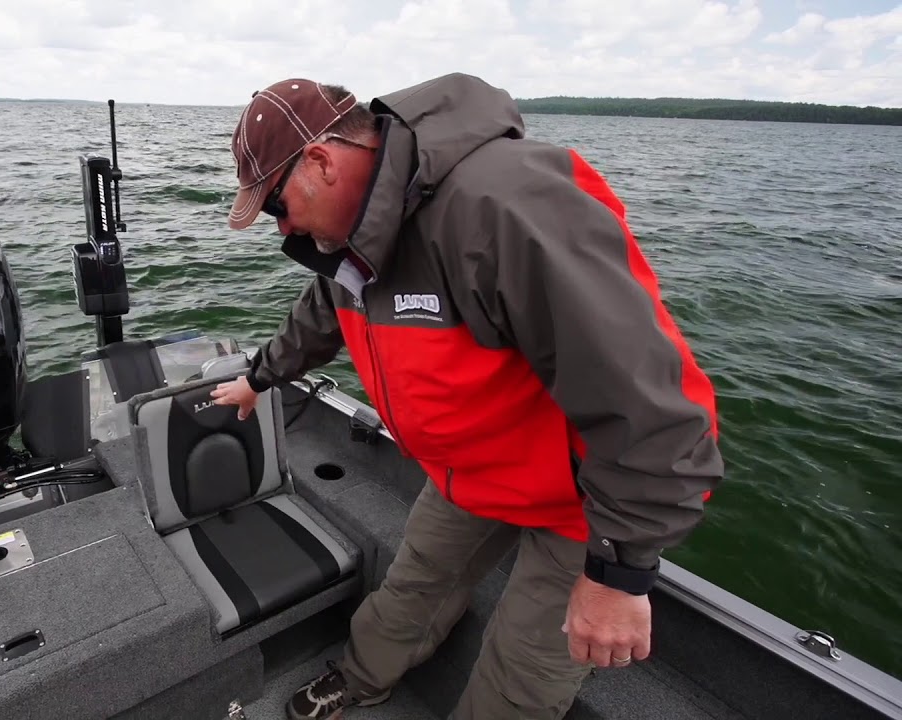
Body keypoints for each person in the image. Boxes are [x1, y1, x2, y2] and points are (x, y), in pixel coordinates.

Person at [209, 73, 724, 720]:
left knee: (521, 677)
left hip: (578, 500)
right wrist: (258, 377)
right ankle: (361, 677)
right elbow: (323, 314)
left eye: (278, 207)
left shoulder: (505, 205)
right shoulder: (349, 246)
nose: (281, 228)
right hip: (472, 469)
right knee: (413, 581)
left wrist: (620, 574)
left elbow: (654, 402)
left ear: (320, 162)